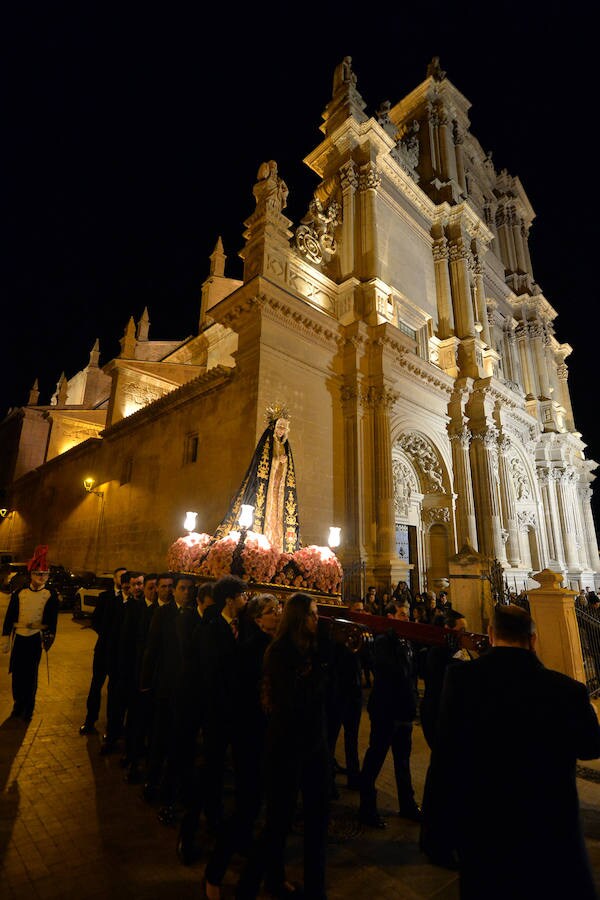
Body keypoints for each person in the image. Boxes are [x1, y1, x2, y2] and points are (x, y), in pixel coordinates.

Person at [421, 603, 600, 899]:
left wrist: (437, 834)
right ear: (533, 639)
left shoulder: (462, 681)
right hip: (552, 832)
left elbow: (445, 759)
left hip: (486, 832)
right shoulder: (568, 691)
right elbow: (590, 747)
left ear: (491, 634)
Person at [236, 593, 331, 900]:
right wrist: (316, 674)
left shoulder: (315, 650)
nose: (317, 620)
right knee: (277, 824)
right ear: (299, 618)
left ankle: (316, 890)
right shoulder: (279, 653)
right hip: (286, 749)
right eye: (313, 615)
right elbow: (292, 703)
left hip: (315, 748)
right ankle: (249, 887)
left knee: (317, 825)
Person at [358, 601, 421, 829]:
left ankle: (407, 804)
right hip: (385, 709)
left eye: (407, 615)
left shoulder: (407, 640)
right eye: (402, 615)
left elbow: (414, 672)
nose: (407, 619)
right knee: (376, 758)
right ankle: (367, 807)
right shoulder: (383, 641)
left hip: (404, 708)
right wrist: (397, 643)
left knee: (402, 761)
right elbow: (392, 670)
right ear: (390, 616)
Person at [213, 404, 301, 554]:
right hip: (265, 488)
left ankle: (278, 545)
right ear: (274, 427)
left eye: (284, 428)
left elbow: (289, 470)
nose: (281, 431)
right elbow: (263, 464)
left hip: (278, 490)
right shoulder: (267, 443)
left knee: (277, 516)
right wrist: (276, 461)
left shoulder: (286, 446)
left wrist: (283, 464)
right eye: (279, 427)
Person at [1, 545, 59, 721]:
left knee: (31, 674)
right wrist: (6, 638)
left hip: (35, 638)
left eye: (45, 574)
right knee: (17, 673)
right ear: (31, 575)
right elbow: (10, 617)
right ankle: (18, 704)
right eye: (38, 574)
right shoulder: (19, 593)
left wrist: (48, 638)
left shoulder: (50, 595)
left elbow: (52, 621)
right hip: (20, 637)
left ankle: (29, 707)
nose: (42, 578)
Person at [79, 566, 127, 735]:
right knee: (95, 687)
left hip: (119, 654)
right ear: (114, 579)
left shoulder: (130, 599)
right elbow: (96, 621)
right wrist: (108, 635)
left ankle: (113, 726)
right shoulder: (104, 597)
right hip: (103, 650)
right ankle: (90, 721)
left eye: (126, 577)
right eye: (121, 576)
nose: (123, 579)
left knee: (115, 691)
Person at [419, 609, 471, 750]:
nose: (464, 633)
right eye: (461, 630)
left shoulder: (460, 649)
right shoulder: (436, 652)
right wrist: (455, 655)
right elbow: (448, 678)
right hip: (438, 713)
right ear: (448, 629)